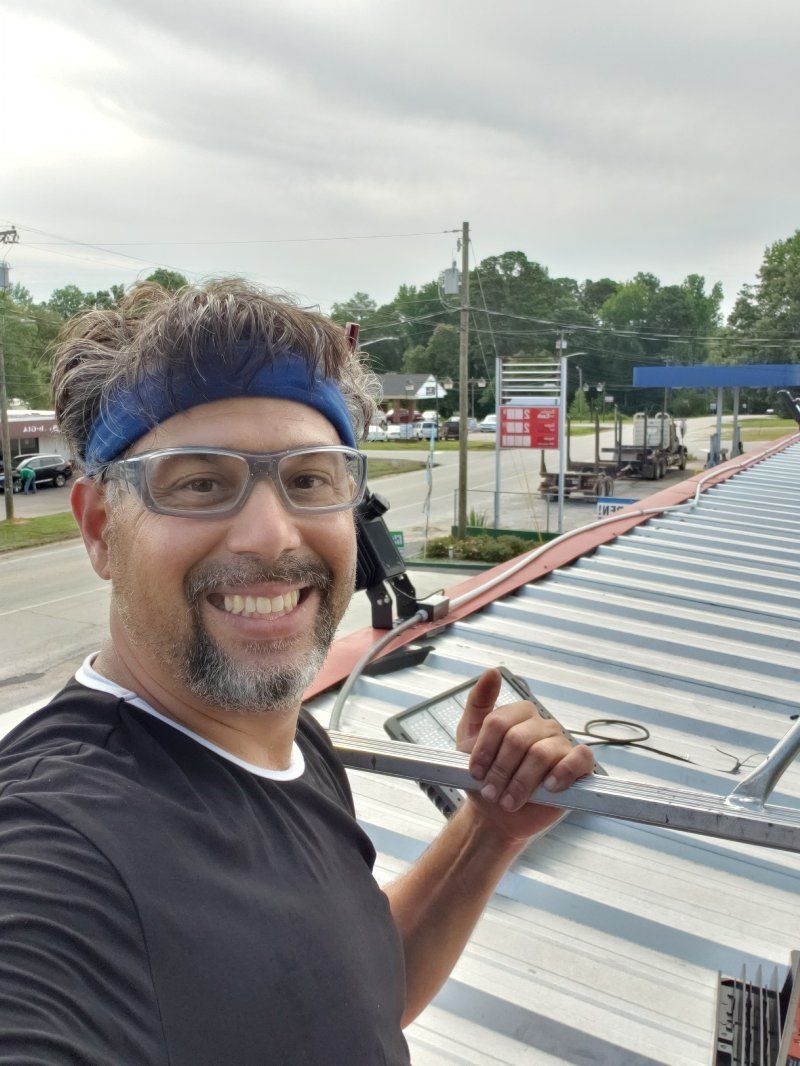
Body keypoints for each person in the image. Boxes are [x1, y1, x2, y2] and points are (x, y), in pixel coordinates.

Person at [0, 280, 594, 1064]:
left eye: (309, 479)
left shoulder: (293, 745)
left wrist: (488, 832)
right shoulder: (55, 850)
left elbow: (351, 1003)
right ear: (101, 527)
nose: (271, 534)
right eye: (201, 482)